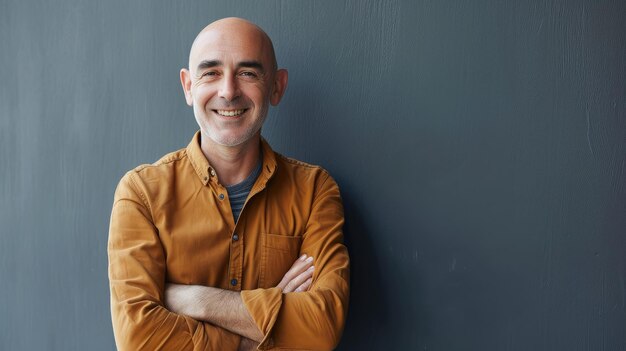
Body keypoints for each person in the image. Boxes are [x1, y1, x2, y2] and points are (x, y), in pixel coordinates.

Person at [107, 17, 350, 351]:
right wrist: (256, 333)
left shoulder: (315, 191)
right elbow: (139, 340)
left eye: (248, 73)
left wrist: (198, 300)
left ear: (276, 86)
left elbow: (320, 330)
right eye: (211, 73)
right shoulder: (141, 194)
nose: (228, 91)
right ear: (188, 87)